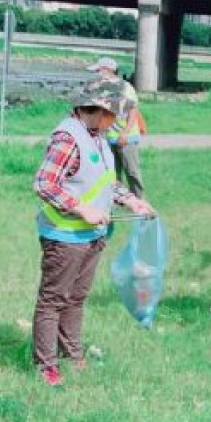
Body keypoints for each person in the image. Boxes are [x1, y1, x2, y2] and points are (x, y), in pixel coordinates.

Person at [31, 78, 155, 387]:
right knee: (54, 300)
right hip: (65, 237)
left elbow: (105, 183)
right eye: (116, 115)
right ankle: (46, 365)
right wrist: (82, 209)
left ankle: (72, 355)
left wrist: (132, 202)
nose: (119, 121)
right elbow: (45, 184)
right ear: (100, 110)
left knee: (77, 298)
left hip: (91, 237)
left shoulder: (97, 136)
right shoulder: (68, 138)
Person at [88, 57, 146, 199]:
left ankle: (140, 201)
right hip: (109, 137)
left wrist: (125, 133)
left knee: (132, 172)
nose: (96, 74)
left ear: (108, 71)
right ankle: (116, 200)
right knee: (112, 173)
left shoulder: (125, 88)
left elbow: (133, 111)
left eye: (98, 70)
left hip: (126, 138)